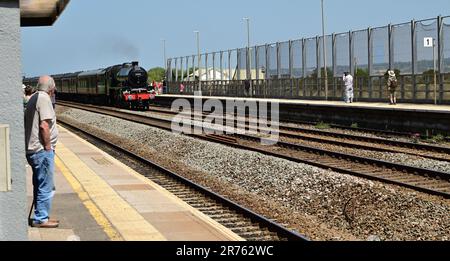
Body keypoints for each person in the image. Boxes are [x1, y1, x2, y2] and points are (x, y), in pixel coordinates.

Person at [24, 75, 59, 228]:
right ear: (51, 88)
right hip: (40, 150)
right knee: (46, 185)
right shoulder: (44, 99)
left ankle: (41, 215)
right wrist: (48, 147)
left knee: (40, 184)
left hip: (33, 149)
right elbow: (44, 125)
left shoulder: (34, 97)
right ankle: (41, 218)